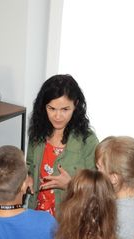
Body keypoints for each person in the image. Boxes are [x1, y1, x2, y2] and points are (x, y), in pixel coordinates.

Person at [26, 74, 98, 216]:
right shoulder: (38, 132)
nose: (57, 116)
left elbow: (99, 188)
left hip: (70, 218)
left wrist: (71, 185)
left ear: (76, 105)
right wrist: (27, 177)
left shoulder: (88, 140)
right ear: (43, 107)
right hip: (37, 214)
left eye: (65, 109)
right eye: (51, 108)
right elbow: (29, 164)